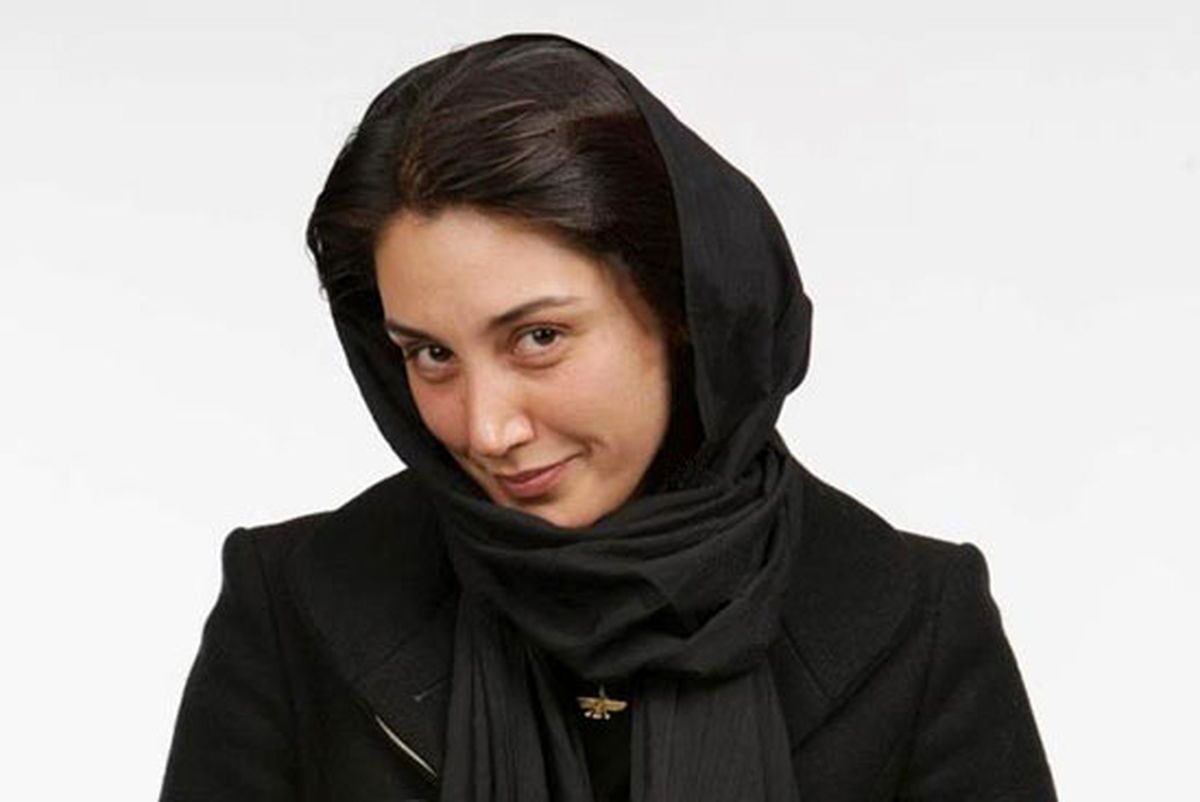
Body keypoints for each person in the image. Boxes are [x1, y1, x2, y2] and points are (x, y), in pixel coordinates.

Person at [158, 31, 1057, 802]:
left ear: (681, 309)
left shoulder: (914, 622)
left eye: (538, 337)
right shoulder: (290, 607)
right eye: (430, 354)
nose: (487, 429)